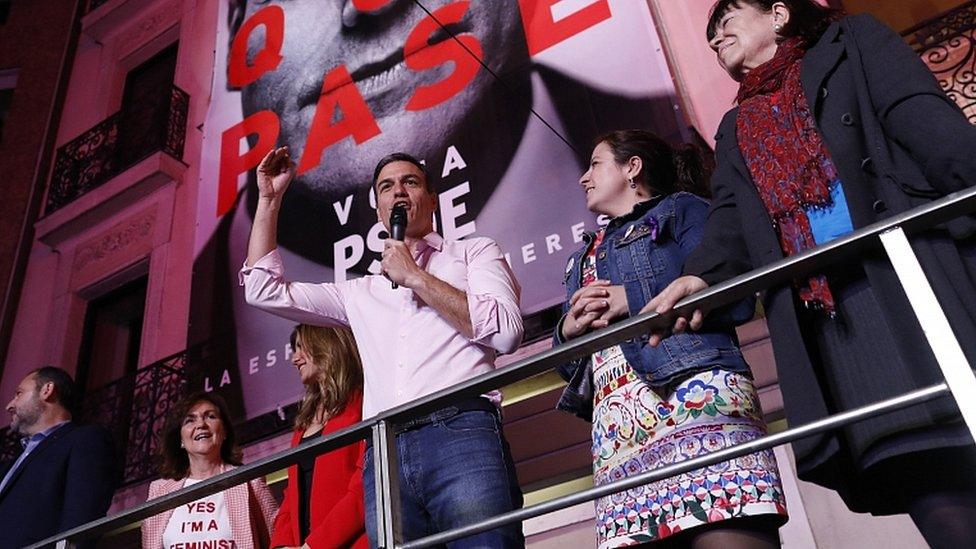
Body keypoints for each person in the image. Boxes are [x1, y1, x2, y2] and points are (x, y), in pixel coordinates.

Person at [645, 1, 976, 546]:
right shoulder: (733, 127)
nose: (714, 41)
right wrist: (701, 274)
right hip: (835, 319)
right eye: (709, 39)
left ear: (778, 14)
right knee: (924, 478)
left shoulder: (853, 42)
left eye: (725, 24)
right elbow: (730, 215)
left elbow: (923, 120)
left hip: (912, 276)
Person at [241, 147, 525, 547]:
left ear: (431, 199)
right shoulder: (361, 292)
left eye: (411, 182)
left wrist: (416, 278)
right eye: (387, 187)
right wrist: (270, 201)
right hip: (384, 450)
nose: (399, 193)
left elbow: (507, 331)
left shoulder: (472, 252)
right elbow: (262, 289)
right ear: (378, 210)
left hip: (460, 428)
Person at [554, 130, 787, 547]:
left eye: (595, 164)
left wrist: (634, 298)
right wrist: (567, 332)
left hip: (697, 407)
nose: (583, 178)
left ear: (632, 167)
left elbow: (731, 296)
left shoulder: (684, 210)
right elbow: (570, 369)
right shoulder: (580, 258)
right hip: (619, 441)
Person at [270, 324, 368, 548]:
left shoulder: (361, 403)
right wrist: (282, 543)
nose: (294, 359)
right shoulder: (302, 424)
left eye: (300, 347)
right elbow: (291, 495)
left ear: (324, 344)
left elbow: (364, 485)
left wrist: (316, 545)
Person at [0, 366, 118, 549]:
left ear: (47, 390)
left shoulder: (84, 441)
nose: (10, 405)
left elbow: (81, 520)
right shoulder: (12, 461)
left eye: (18, 394)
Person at [142, 392, 278, 549]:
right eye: (189, 420)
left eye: (210, 416)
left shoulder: (248, 482)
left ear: (224, 431)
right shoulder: (158, 492)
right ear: (180, 439)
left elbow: (277, 539)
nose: (201, 424)